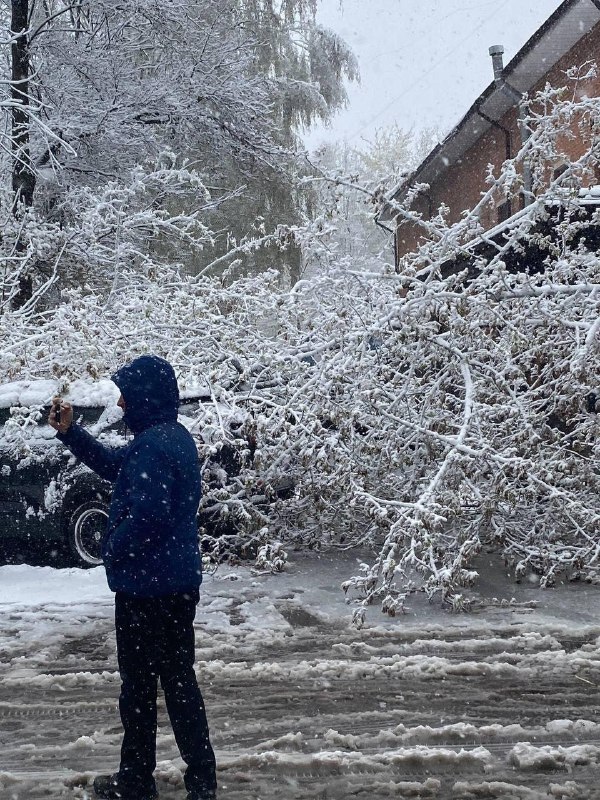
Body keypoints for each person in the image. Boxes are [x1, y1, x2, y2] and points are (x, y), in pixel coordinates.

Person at [49, 355, 217, 800]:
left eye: (126, 394)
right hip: (174, 584)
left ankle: (138, 781)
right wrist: (71, 433)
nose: (120, 402)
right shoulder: (169, 438)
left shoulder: (154, 447)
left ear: (145, 396)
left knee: (140, 691)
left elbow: (149, 518)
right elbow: (114, 464)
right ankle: (200, 781)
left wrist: (112, 549)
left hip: (148, 590)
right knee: (178, 684)